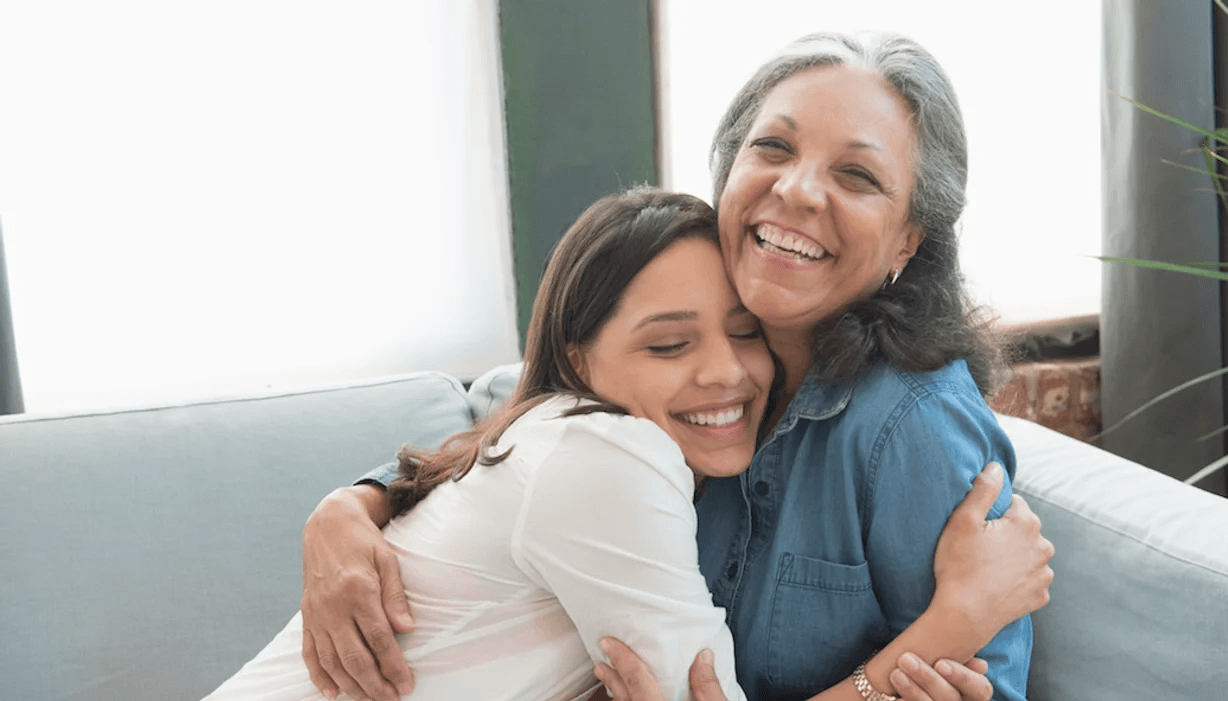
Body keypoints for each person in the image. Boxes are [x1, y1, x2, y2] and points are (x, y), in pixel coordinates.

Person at [299, 31, 1054, 701]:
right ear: (728, 174)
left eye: (857, 176)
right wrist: (350, 506)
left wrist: (956, 626)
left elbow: (983, 685)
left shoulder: (911, 424)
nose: (795, 190)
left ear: (905, 243)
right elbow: (517, 408)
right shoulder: (697, 300)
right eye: (773, 148)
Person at [201, 187, 1045, 701]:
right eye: (669, 345)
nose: (727, 374)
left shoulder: (569, 435)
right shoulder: (606, 456)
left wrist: (352, 500)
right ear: (579, 358)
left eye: (744, 332)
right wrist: (955, 618)